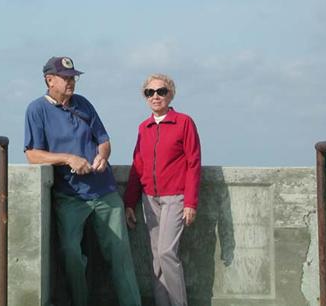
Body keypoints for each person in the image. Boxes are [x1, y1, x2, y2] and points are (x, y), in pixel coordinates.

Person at [24, 56, 142, 306]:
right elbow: (32, 154)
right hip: (69, 197)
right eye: (66, 78)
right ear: (49, 80)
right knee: (71, 255)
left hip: (104, 192)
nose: (71, 82)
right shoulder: (36, 109)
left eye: (73, 77)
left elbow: (104, 140)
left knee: (120, 256)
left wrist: (102, 155)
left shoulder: (84, 104)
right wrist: (68, 159)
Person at [123, 73, 201, 306]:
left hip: (175, 197)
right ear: (145, 97)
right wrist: (129, 202)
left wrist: (190, 202)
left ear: (170, 94)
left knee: (167, 253)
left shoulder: (184, 122)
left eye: (161, 91)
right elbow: (138, 165)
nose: (155, 96)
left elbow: (193, 163)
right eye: (150, 92)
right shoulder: (144, 127)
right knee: (156, 258)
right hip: (149, 200)